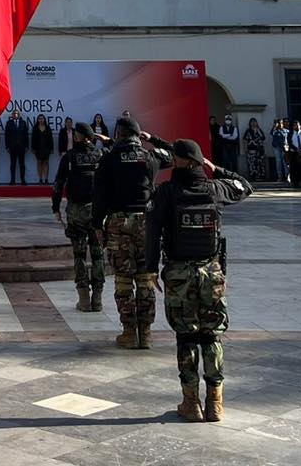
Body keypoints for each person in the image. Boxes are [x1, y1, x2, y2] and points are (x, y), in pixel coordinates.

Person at [146, 138, 252, 423]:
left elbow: (152, 231)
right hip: (211, 273)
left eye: (176, 158)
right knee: (212, 335)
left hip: (180, 274)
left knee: (186, 336)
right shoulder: (215, 189)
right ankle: (215, 402)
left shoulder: (166, 192)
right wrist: (214, 168)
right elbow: (244, 185)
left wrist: (149, 270)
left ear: (182, 161)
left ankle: (191, 403)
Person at [90, 116, 174, 346]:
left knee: (123, 279)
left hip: (118, 223)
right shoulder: (151, 156)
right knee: (146, 277)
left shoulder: (108, 160)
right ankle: (145, 333)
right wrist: (153, 138)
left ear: (118, 134)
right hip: (146, 224)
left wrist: (97, 225)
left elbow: (99, 197)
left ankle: (128, 332)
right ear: (138, 135)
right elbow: (176, 152)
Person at [51, 122, 107, 312]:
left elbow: (58, 183)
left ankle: (84, 298)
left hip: (76, 211)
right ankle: (97, 298)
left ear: (78, 137)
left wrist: (55, 207)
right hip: (98, 211)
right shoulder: (101, 155)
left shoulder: (70, 157)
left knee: (79, 254)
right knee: (98, 254)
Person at [5, 108, 29, 185]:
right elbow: (7, 136)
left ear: (19, 114)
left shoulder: (23, 123)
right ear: (12, 115)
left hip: (21, 147)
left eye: (17, 113)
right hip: (12, 147)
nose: (15, 114)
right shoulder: (9, 123)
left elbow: (26, 135)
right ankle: (12, 180)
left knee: (22, 164)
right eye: (14, 113)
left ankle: (23, 180)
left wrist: (27, 146)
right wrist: (7, 146)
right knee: (13, 164)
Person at [30, 116, 54, 184]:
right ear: (37, 120)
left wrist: (52, 148)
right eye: (39, 119)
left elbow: (51, 139)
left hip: (46, 148)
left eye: (42, 118)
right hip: (38, 148)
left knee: (46, 163)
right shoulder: (35, 128)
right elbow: (33, 139)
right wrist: (33, 148)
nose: (41, 120)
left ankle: (46, 179)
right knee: (39, 163)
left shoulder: (48, 128)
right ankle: (40, 179)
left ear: (44, 119)